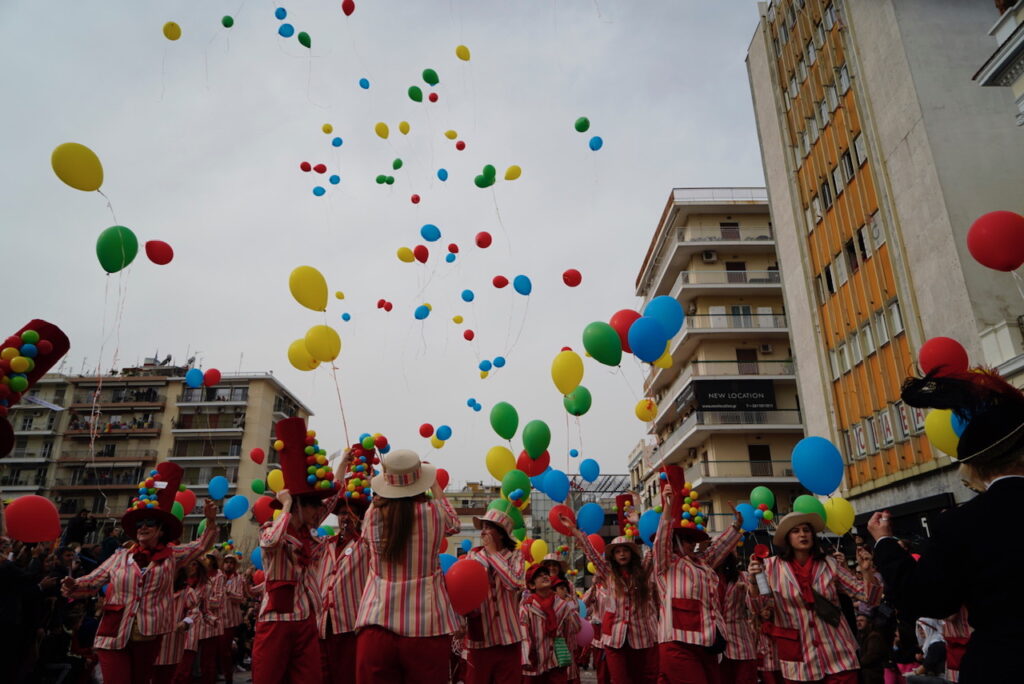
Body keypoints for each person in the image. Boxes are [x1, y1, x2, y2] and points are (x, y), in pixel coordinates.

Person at [867, 368, 1024, 683]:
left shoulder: (960, 523)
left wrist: (884, 544)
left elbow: (929, 599)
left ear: (975, 468)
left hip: (1003, 664)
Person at [61, 462, 218, 684]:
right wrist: (72, 584)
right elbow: (93, 580)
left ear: (161, 529)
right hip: (113, 633)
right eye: (139, 524)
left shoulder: (172, 555)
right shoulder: (121, 556)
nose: (143, 527)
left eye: (149, 523)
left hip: (148, 634)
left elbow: (202, 545)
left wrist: (211, 520)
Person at [354, 448, 460, 683]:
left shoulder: (373, 514)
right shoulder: (433, 512)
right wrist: (435, 486)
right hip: (426, 626)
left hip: (376, 624)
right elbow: (454, 524)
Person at [252, 417, 339, 684]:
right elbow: (269, 542)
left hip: (305, 617)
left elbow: (332, 500)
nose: (319, 512)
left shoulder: (309, 534)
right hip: (276, 620)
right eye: (313, 506)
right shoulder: (272, 526)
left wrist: (343, 463)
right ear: (301, 505)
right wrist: (287, 506)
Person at [747, 512, 880, 684]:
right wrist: (753, 582)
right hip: (799, 658)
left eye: (806, 530)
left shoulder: (829, 564)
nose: (802, 534)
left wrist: (866, 570)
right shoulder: (771, 567)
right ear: (787, 538)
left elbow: (870, 598)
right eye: (796, 531)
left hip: (838, 654)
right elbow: (757, 608)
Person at [653, 466, 743, 684]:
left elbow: (719, 548)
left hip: (709, 641)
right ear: (675, 541)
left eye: (691, 540)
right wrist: (668, 507)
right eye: (684, 539)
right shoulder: (666, 564)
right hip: (678, 642)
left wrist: (736, 525)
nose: (690, 544)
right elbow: (662, 540)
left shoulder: (703, 564)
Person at [565, 511, 658, 684]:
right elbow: (592, 554)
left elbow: (654, 549)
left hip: (641, 638)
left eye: (625, 551)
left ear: (632, 554)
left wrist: (639, 524)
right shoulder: (608, 574)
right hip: (615, 639)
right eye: (618, 552)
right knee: (620, 680)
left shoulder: (643, 572)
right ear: (613, 556)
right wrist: (575, 531)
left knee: (642, 679)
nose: (622, 554)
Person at [317, 446, 371, 684]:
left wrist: (368, 478)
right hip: (321, 625)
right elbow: (323, 505)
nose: (345, 517)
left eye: (351, 512)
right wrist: (340, 465)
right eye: (341, 513)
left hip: (350, 626)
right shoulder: (323, 544)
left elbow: (373, 518)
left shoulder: (366, 545)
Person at [463, 499, 525, 684]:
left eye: (488, 527)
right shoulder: (473, 556)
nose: (483, 532)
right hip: (480, 639)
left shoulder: (516, 556)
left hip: (509, 639)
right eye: (482, 527)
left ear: (501, 533)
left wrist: (492, 554)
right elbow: (466, 591)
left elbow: (514, 583)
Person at [519, 565, 580, 683]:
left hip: (557, 662)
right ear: (532, 585)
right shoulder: (527, 607)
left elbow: (572, 631)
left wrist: (571, 605)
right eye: (539, 576)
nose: (544, 576)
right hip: (535, 662)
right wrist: (526, 659)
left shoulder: (562, 605)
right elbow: (524, 636)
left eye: (546, 574)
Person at [717, 551, 758, 684]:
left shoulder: (743, 576)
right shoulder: (705, 577)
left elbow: (762, 599)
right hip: (714, 644)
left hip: (741, 643)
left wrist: (754, 580)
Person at [153, 568, 195, 684]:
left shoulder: (187, 592)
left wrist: (185, 622)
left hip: (172, 644)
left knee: (167, 677)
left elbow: (194, 612)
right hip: (151, 640)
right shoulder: (154, 588)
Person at [219, 553, 246, 684]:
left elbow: (241, 598)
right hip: (216, 619)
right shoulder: (217, 577)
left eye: (231, 562)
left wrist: (229, 593)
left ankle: (228, 677)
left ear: (235, 565)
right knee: (216, 650)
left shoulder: (240, 579)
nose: (228, 564)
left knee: (225, 651)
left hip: (230, 620)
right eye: (226, 562)